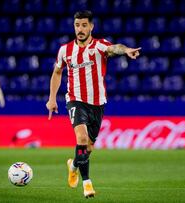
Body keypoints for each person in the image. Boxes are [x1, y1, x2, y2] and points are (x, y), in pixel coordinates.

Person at [46, 10, 141, 198]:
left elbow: (115, 48)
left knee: (87, 148)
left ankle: (73, 166)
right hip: (75, 100)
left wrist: (127, 50)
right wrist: (51, 98)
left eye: (83, 25)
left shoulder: (99, 46)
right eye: (77, 25)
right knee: (80, 139)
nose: (80, 29)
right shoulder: (65, 50)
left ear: (91, 26)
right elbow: (57, 73)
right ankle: (87, 184)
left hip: (97, 103)